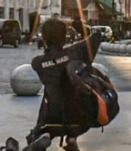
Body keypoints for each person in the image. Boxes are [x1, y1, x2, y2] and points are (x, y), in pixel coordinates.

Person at [27, 19, 103, 151]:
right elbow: (97, 34)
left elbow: (53, 61)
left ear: (44, 38)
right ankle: (72, 139)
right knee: (74, 100)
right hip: (80, 119)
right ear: (64, 36)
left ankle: (45, 135)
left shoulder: (38, 63)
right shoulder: (79, 51)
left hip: (52, 118)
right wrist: (76, 24)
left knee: (50, 98)